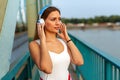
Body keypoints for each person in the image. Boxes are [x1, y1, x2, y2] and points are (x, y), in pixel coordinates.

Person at [29, 6, 84, 80]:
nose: (58, 23)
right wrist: (42, 39)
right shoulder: (35, 45)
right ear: (42, 22)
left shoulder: (62, 42)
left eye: (59, 19)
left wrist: (67, 38)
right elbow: (48, 69)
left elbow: (79, 61)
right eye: (53, 19)